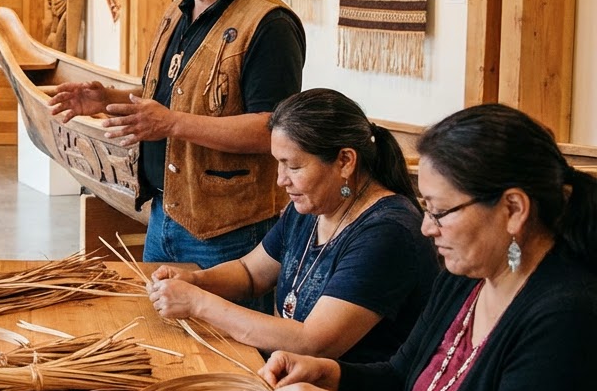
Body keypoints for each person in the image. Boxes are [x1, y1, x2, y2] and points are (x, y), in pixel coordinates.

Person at [264, 104, 597, 391]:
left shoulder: (566, 320)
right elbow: (402, 376)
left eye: (440, 212)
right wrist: (332, 374)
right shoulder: (467, 278)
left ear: (513, 208)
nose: (426, 228)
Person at [49, 0, 305, 279]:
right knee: (161, 334)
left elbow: (272, 131)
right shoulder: (179, 12)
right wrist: (108, 98)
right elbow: (177, 96)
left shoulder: (269, 24)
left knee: (223, 342)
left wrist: (172, 124)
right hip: (163, 213)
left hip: (229, 232)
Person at [146, 89, 434, 363]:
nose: (281, 180)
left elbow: (315, 343)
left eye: (293, 166)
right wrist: (195, 281)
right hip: (294, 385)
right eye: (278, 164)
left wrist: (199, 304)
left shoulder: (387, 232)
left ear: (345, 161)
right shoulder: (312, 206)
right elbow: (250, 273)